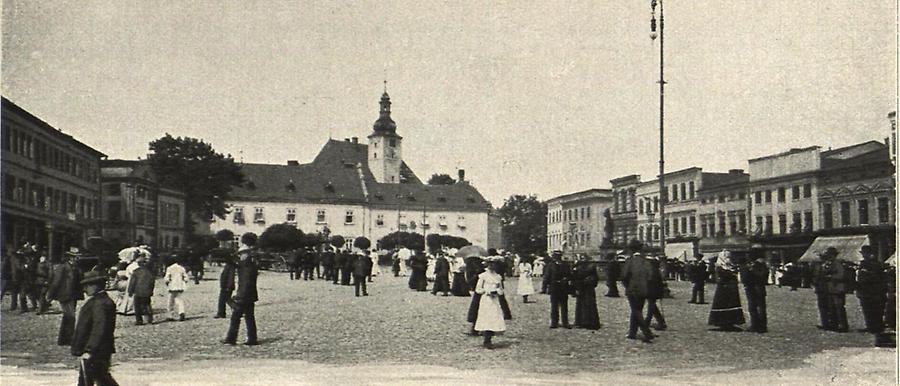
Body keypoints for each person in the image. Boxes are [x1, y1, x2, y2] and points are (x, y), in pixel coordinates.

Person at [71, 270, 118, 386]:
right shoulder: (99, 301)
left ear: (95, 285)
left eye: (87, 285)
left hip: (97, 350)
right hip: (99, 348)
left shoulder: (100, 303)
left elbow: (99, 328)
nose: (84, 289)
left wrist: (90, 350)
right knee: (98, 378)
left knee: (96, 378)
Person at [223, 233, 259, 346]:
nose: (240, 256)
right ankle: (252, 339)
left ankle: (231, 339)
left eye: (242, 254)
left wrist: (239, 296)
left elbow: (246, 282)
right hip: (250, 295)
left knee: (236, 317)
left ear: (246, 254)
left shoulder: (246, 265)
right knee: (249, 317)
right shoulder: (249, 263)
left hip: (244, 295)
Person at [46, 248, 83, 345]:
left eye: (78, 257)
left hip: (73, 295)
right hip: (65, 294)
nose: (77, 258)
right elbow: (56, 282)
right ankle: (69, 339)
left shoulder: (76, 267)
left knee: (68, 316)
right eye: (75, 257)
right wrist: (50, 294)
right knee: (70, 316)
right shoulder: (63, 267)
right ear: (70, 257)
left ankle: (63, 339)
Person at [473, 257, 507, 349]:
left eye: (493, 264)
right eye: (490, 264)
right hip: (486, 300)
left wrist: (497, 291)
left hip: (495, 301)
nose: (491, 266)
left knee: (494, 317)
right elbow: (478, 289)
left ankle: (490, 337)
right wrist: (487, 291)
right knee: (487, 317)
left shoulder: (498, 277)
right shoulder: (483, 276)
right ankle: (486, 340)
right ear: (487, 265)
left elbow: (501, 289)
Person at [707, 251, 745, 331]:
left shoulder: (731, 266)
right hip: (723, 288)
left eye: (729, 257)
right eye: (726, 257)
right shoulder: (719, 266)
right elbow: (723, 275)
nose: (728, 259)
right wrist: (731, 274)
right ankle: (722, 321)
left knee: (732, 303)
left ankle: (731, 321)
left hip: (731, 288)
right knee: (723, 303)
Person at [621, 251, 654, 343]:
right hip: (643, 290)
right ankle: (632, 332)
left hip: (632, 289)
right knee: (637, 309)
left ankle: (646, 331)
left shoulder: (630, 262)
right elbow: (650, 276)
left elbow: (624, 276)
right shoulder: (646, 262)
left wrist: (627, 286)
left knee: (636, 310)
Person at [855, 246, 886, 333]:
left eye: (865, 253)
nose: (864, 255)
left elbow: (877, 278)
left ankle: (876, 327)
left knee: (874, 309)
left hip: (873, 291)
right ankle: (870, 326)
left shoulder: (875, 264)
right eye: (863, 253)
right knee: (866, 309)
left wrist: (866, 277)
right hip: (864, 290)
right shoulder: (863, 264)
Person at [821, 247, 849, 332]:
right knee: (832, 307)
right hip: (831, 288)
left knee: (839, 307)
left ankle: (843, 325)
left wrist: (830, 276)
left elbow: (841, 275)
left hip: (838, 288)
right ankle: (834, 324)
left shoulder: (838, 264)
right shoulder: (829, 264)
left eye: (830, 255)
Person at [742, 250, 769, 333]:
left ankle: (755, 325)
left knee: (753, 307)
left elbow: (750, 277)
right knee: (761, 307)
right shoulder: (763, 265)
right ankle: (762, 326)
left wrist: (749, 271)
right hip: (760, 288)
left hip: (753, 288)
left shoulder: (754, 266)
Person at [572, 254, 600, 330]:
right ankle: (581, 321)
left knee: (589, 304)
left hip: (588, 288)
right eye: (582, 258)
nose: (583, 260)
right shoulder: (578, 267)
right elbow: (574, 278)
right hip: (582, 287)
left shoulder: (588, 267)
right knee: (581, 305)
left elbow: (595, 278)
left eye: (584, 258)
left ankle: (590, 322)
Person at [547, 251, 572, 329]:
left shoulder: (566, 265)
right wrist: (545, 287)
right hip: (554, 287)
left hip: (563, 287)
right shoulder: (550, 266)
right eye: (555, 256)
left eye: (558, 256)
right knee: (554, 306)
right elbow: (547, 276)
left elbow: (570, 275)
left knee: (564, 306)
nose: (557, 258)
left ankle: (565, 322)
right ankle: (554, 322)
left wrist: (566, 279)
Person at [127, 258, 155, 326]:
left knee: (137, 306)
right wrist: (151, 290)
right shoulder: (149, 272)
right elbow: (152, 282)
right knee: (147, 304)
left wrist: (130, 291)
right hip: (147, 291)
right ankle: (150, 319)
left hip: (138, 291)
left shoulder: (136, 272)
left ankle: (139, 320)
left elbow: (132, 282)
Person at [644, 256, 667, 331]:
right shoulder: (655, 270)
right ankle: (661, 321)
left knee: (651, 307)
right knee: (653, 307)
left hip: (652, 291)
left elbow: (651, 282)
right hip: (654, 291)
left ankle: (647, 323)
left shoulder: (653, 271)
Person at [164, 255, 190, 322]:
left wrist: (167, 283)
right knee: (179, 300)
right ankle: (181, 312)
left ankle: (170, 315)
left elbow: (167, 278)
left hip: (172, 286)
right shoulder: (181, 268)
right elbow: (186, 278)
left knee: (170, 301)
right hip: (180, 286)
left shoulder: (169, 268)